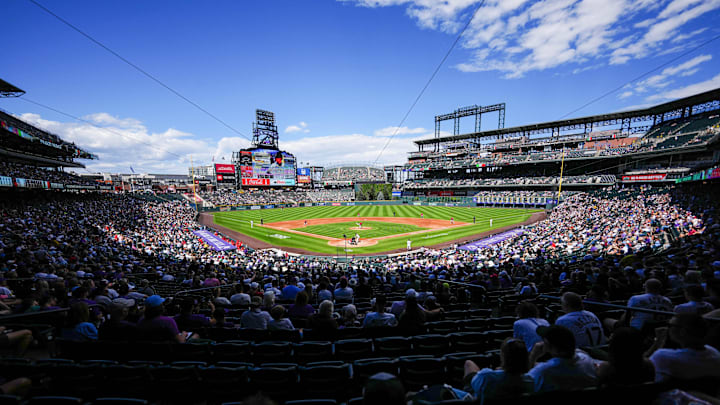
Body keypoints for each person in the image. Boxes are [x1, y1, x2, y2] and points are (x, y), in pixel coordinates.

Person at [648, 314, 720, 382]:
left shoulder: (663, 356)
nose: (667, 328)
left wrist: (658, 341)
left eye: (670, 325)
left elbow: (643, 366)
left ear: (683, 331)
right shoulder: (714, 353)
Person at [527, 325, 598, 392]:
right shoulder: (587, 360)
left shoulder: (543, 370)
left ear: (548, 345)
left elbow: (525, 383)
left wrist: (533, 356)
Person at [464, 338, 534, 404]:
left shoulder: (487, 376)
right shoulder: (530, 381)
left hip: (476, 394)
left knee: (469, 363)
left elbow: (473, 384)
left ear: (503, 356)